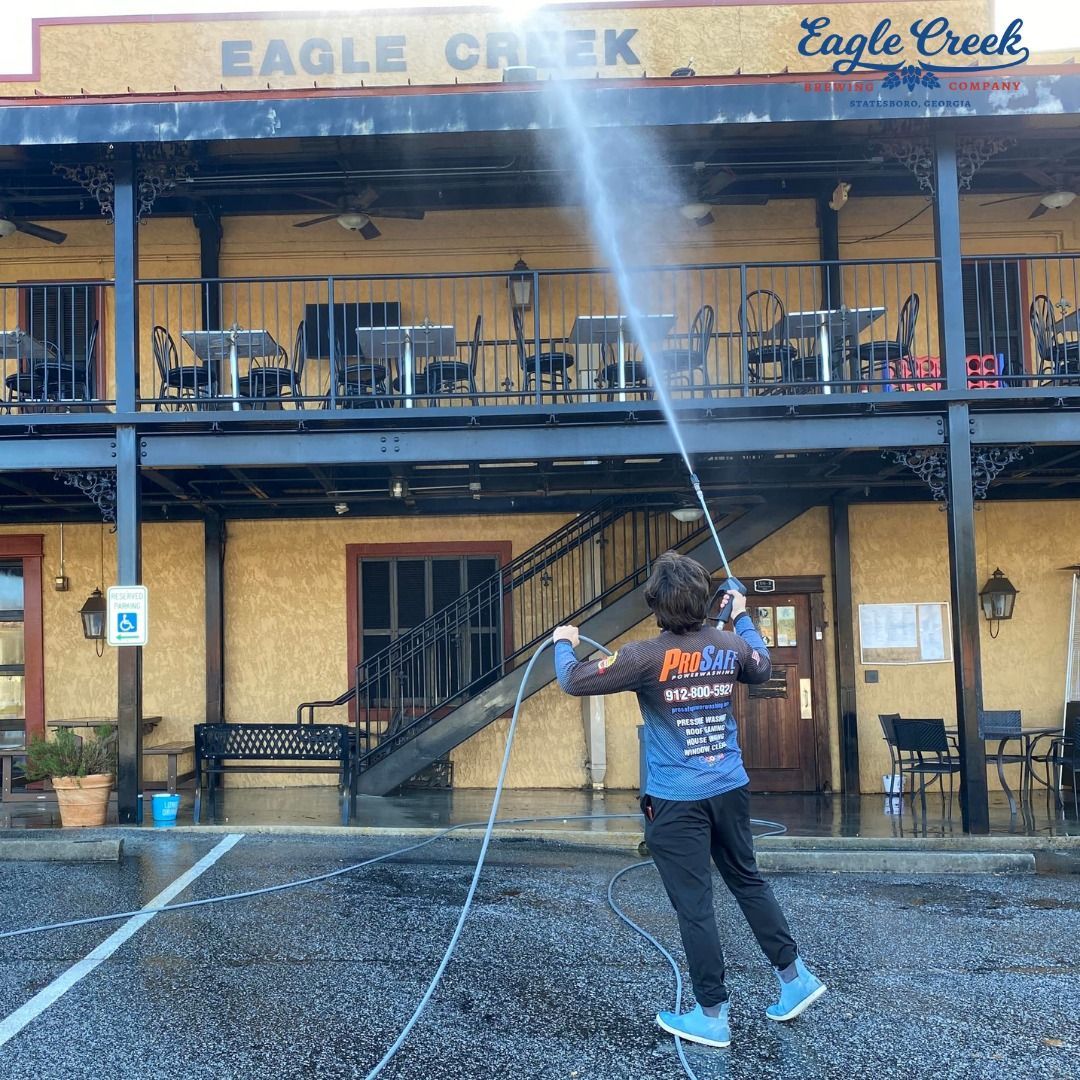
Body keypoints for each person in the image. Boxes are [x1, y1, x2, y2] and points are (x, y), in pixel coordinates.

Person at [552, 550, 825, 1049]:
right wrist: (742, 616)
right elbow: (760, 666)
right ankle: (796, 979)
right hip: (729, 786)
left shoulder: (642, 655)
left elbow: (572, 680)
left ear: (655, 605)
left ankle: (712, 1015)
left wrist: (564, 644)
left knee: (695, 906)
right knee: (748, 881)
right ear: (704, 599)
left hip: (677, 801)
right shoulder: (728, 644)